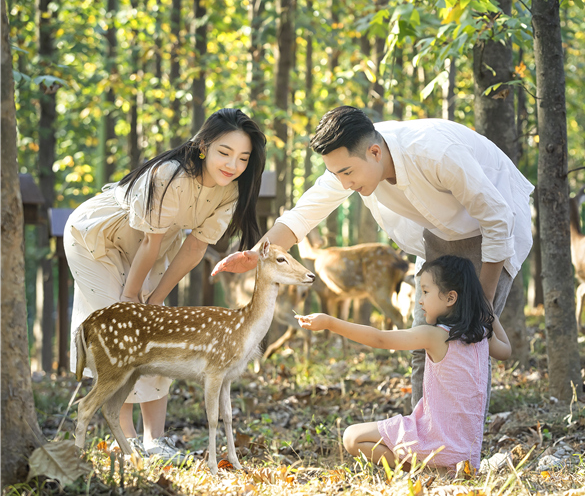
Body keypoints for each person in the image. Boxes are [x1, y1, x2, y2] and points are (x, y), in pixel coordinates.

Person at [211, 106, 534, 406]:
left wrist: (483, 301)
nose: (343, 183)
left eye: (347, 172)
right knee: (421, 343)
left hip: (488, 232)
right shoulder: (352, 161)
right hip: (437, 236)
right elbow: (303, 214)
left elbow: (497, 219)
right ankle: (424, 434)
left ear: (375, 152)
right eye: (336, 174)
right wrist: (255, 255)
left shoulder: (435, 153)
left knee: (468, 344)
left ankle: (463, 439)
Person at [66, 108, 266, 460]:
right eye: (224, 152)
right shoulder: (170, 174)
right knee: (126, 333)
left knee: (158, 330)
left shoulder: (230, 191)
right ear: (203, 146)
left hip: (154, 246)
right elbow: (149, 241)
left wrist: (156, 299)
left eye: (243, 158)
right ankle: (127, 441)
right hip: (99, 240)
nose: (233, 165)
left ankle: (155, 441)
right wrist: (130, 298)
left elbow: (195, 247)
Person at [296, 255, 511, 472]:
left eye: (425, 292)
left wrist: (330, 322)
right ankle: (441, 470)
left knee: (352, 437)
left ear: (450, 298)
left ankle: (428, 470)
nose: (420, 300)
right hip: (465, 456)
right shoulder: (482, 335)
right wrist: (488, 310)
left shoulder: (435, 335)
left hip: (434, 441)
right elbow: (506, 351)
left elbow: (379, 339)